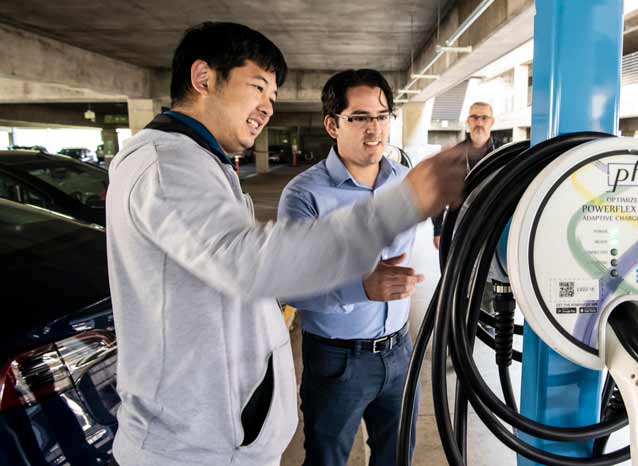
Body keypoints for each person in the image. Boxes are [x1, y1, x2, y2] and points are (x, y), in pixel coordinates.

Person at [105, 22, 467, 466]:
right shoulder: (168, 167)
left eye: (273, 98)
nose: (267, 109)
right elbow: (259, 264)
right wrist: (401, 207)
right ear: (204, 79)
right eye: (257, 88)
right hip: (201, 443)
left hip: (381, 356)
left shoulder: (202, 165)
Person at [278, 69, 430, 466]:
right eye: (360, 117)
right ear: (333, 124)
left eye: (382, 116)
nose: (375, 129)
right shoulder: (305, 195)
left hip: (399, 351)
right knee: (328, 459)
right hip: (337, 362)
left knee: (396, 456)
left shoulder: (406, 181)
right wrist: (361, 287)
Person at [432, 101, 496, 249]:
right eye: (474, 117)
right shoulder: (454, 156)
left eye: (484, 118)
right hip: (459, 226)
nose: (479, 122)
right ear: (468, 121)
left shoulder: (502, 155)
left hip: (493, 225)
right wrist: (438, 230)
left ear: (492, 122)